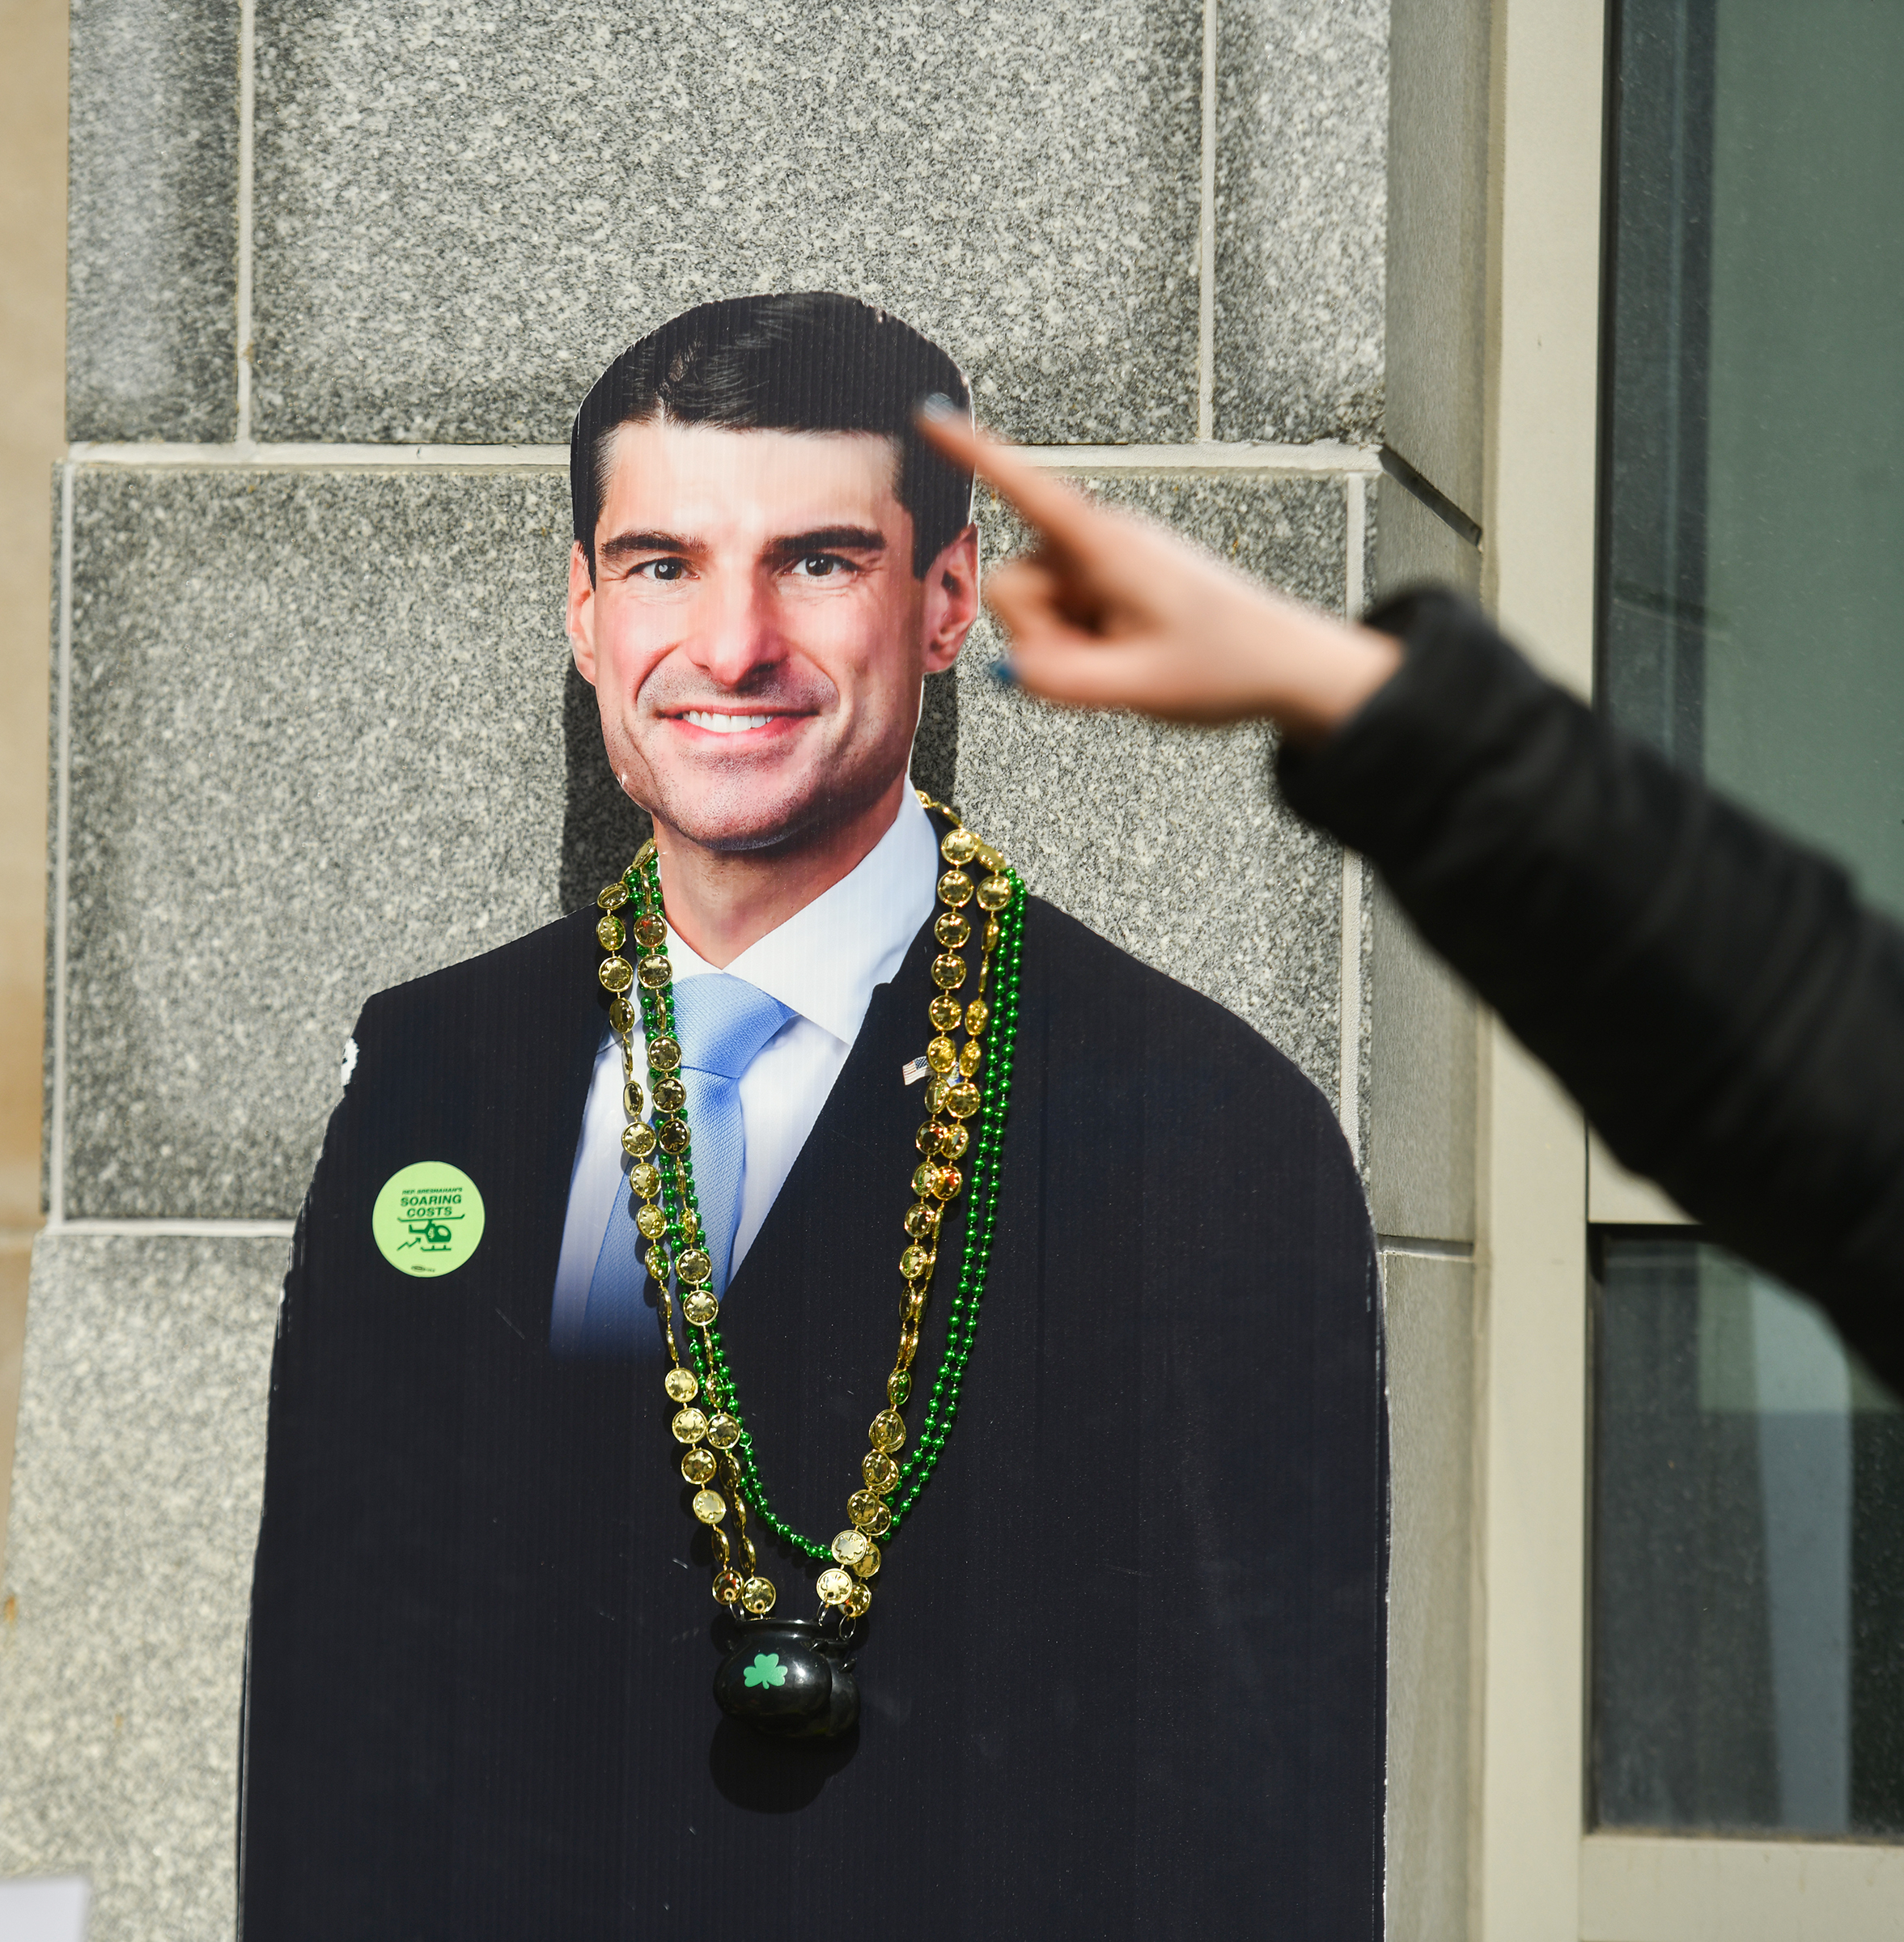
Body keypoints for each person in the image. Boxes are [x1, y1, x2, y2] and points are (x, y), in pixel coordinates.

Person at [239, 295, 1386, 1939]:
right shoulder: (434, 1070)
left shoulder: (1205, 1134)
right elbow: (330, 1725)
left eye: (818, 562)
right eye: (661, 565)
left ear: (946, 597)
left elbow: (1269, 1831)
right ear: (580, 609)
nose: (730, 647)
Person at [917, 405, 1904, 1393]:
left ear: (949, 593)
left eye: (820, 562)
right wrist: (1332, 682)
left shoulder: (1202, 1109)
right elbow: (1826, 1082)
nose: (752, 647)